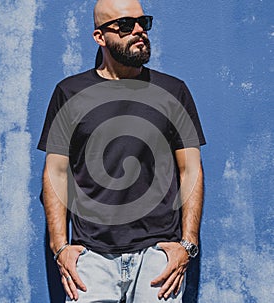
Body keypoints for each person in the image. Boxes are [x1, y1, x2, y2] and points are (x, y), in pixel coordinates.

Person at [37, 0, 206, 302]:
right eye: (126, 25)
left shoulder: (172, 91)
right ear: (99, 37)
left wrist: (187, 244)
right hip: (91, 256)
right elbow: (56, 172)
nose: (139, 31)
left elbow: (190, 169)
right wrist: (60, 247)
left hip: (159, 255)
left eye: (144, 22)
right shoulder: (69, 92)